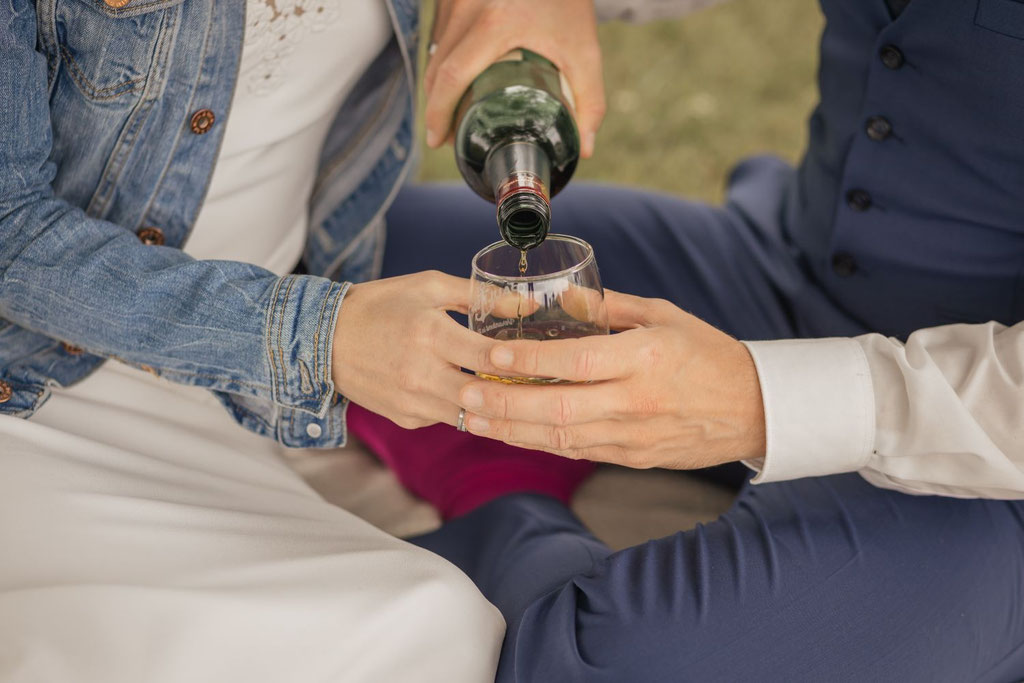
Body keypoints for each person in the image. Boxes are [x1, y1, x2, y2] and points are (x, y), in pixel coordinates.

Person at [351, 0, 1024, 680]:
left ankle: (500, 487)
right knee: (362, 269)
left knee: (614, 659)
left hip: (987, 453)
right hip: (791, 275)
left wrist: (754, 402)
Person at [0, 1, 609, 680]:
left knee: (435, 623)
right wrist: (320, 336)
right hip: (29, 384)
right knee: (409, 629)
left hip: (223, 389)